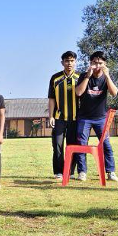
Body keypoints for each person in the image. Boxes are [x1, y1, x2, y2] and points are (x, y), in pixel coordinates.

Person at [74, 51, 118, 182]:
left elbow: (114, 92)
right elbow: (78, 92)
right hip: (84, 118)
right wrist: (88, 76)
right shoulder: (84, 76)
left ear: (105, 64)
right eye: (94, 62)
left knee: (106, 144)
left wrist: (108, 75)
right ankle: (82, 172)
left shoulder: (106, 77)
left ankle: (110, 172)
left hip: (101, 118)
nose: (97, 65)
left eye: (100, 63)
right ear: (90, 63)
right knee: (82, 144)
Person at [48, 51, 81, 180]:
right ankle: (58, 172)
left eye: (72, 61)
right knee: (57, 145)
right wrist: (50, 116)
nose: (69, 63)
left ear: (75, 62)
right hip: (59, 117)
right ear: (62, 62)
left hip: (75, 118)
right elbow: (51, 98)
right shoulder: (55, 78)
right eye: (67, 61)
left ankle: (70, 172)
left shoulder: (80, 77)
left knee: (72, 145)